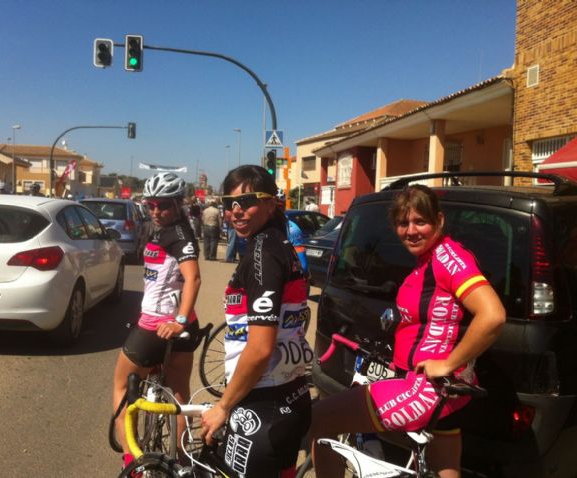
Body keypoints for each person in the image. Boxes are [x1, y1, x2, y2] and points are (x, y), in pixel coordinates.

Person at [309, 184, 506, 478]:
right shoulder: (429, 259)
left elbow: (493, 316)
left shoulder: (447, 259)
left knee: (319, 420)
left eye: (420, 221)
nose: (411, 231)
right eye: (403, 223)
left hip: (424, 388)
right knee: (445, 469)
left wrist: (448, 363)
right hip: (443, 391)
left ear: (439, 221)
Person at [201, 165, 313, 478]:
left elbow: (261, 348)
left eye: (247, 201)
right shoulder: (279, 243)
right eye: (229, 203)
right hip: (292, 396)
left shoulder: (263, 253)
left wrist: (223, 406)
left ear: (270, 203)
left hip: (262, 405)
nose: (236, 211)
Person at [111, 172, 202, 471]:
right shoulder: (172, 231)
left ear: (178, 204)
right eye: (150, 204)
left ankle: (132, 463)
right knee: (179, 397)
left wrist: (178, 320)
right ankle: (182, 462)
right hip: (181, 326)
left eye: (163, 205)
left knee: (122, 389)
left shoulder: (177, 236)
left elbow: (193, 278)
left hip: (158, 326)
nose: (155, 211)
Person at [276, 188, 308, 276]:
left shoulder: (292, 229)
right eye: (275, 206)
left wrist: (299, 276)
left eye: (280, 206)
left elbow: (302, 265)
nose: (276, 210)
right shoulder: (261, 225)